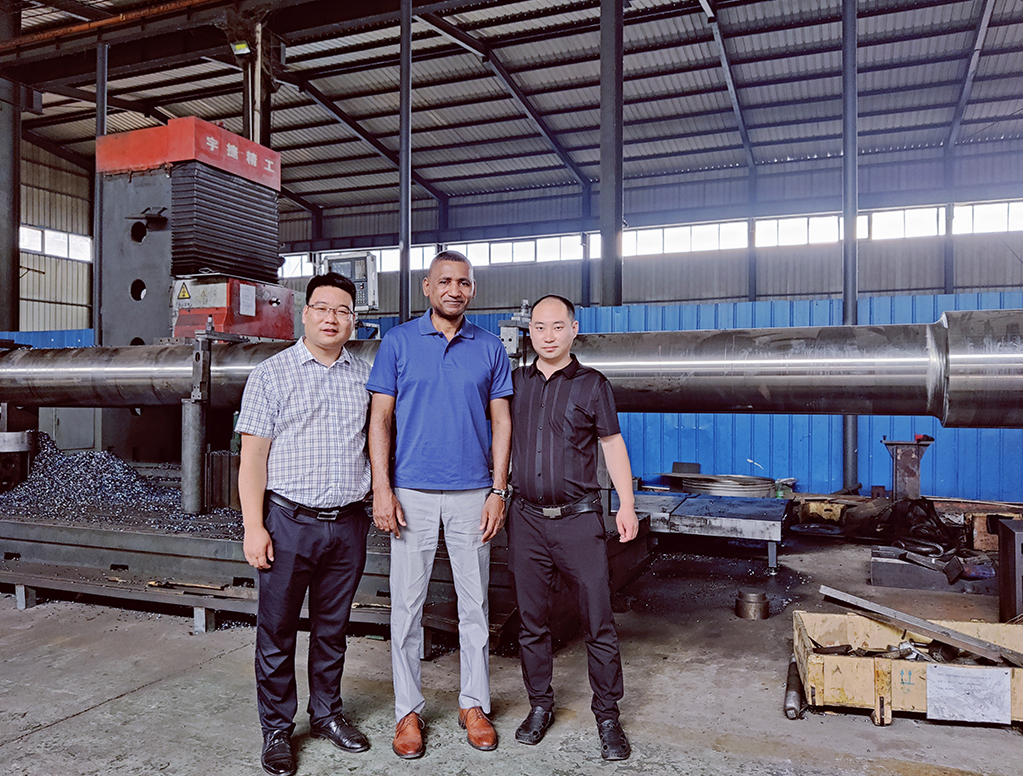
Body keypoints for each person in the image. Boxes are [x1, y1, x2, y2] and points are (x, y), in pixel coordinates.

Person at [367, 250, 512, 759]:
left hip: (474, 493)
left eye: (464, 283)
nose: (455, 290)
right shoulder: (399, 342)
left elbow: (503, 422)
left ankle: (474, 704)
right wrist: (382, 489)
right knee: (407, 607)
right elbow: (380, 419)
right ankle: (407, 711)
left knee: (475, 606)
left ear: (473, 289)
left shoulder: (490, 347)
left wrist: (498, 490)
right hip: (411, 493)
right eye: (445, 281)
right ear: (427, 287)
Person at [236, 273, 373, 776]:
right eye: (323, 308)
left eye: (343, 311)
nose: (332, 318)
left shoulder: (366, 378)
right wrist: (254, 526)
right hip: (289, 523)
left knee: (332, 630)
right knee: (277, 632)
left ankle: (327, 715)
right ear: (306, 313)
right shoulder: (271, 375)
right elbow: (252, 459)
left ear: (353, 320)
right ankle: (276, 730)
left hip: (349, 524)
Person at [507, 294, 640, 761]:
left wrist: (627, 504)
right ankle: (539, 706)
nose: (548, 336)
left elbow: (612, 444)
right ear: (529, 332)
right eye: (539, 327)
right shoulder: (515, 383)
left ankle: (608, 717)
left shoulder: (592, 385)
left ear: (574, 329)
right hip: (525, 520)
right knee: (532, 623)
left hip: (579, 521)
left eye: (557, 326)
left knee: (597, 622)